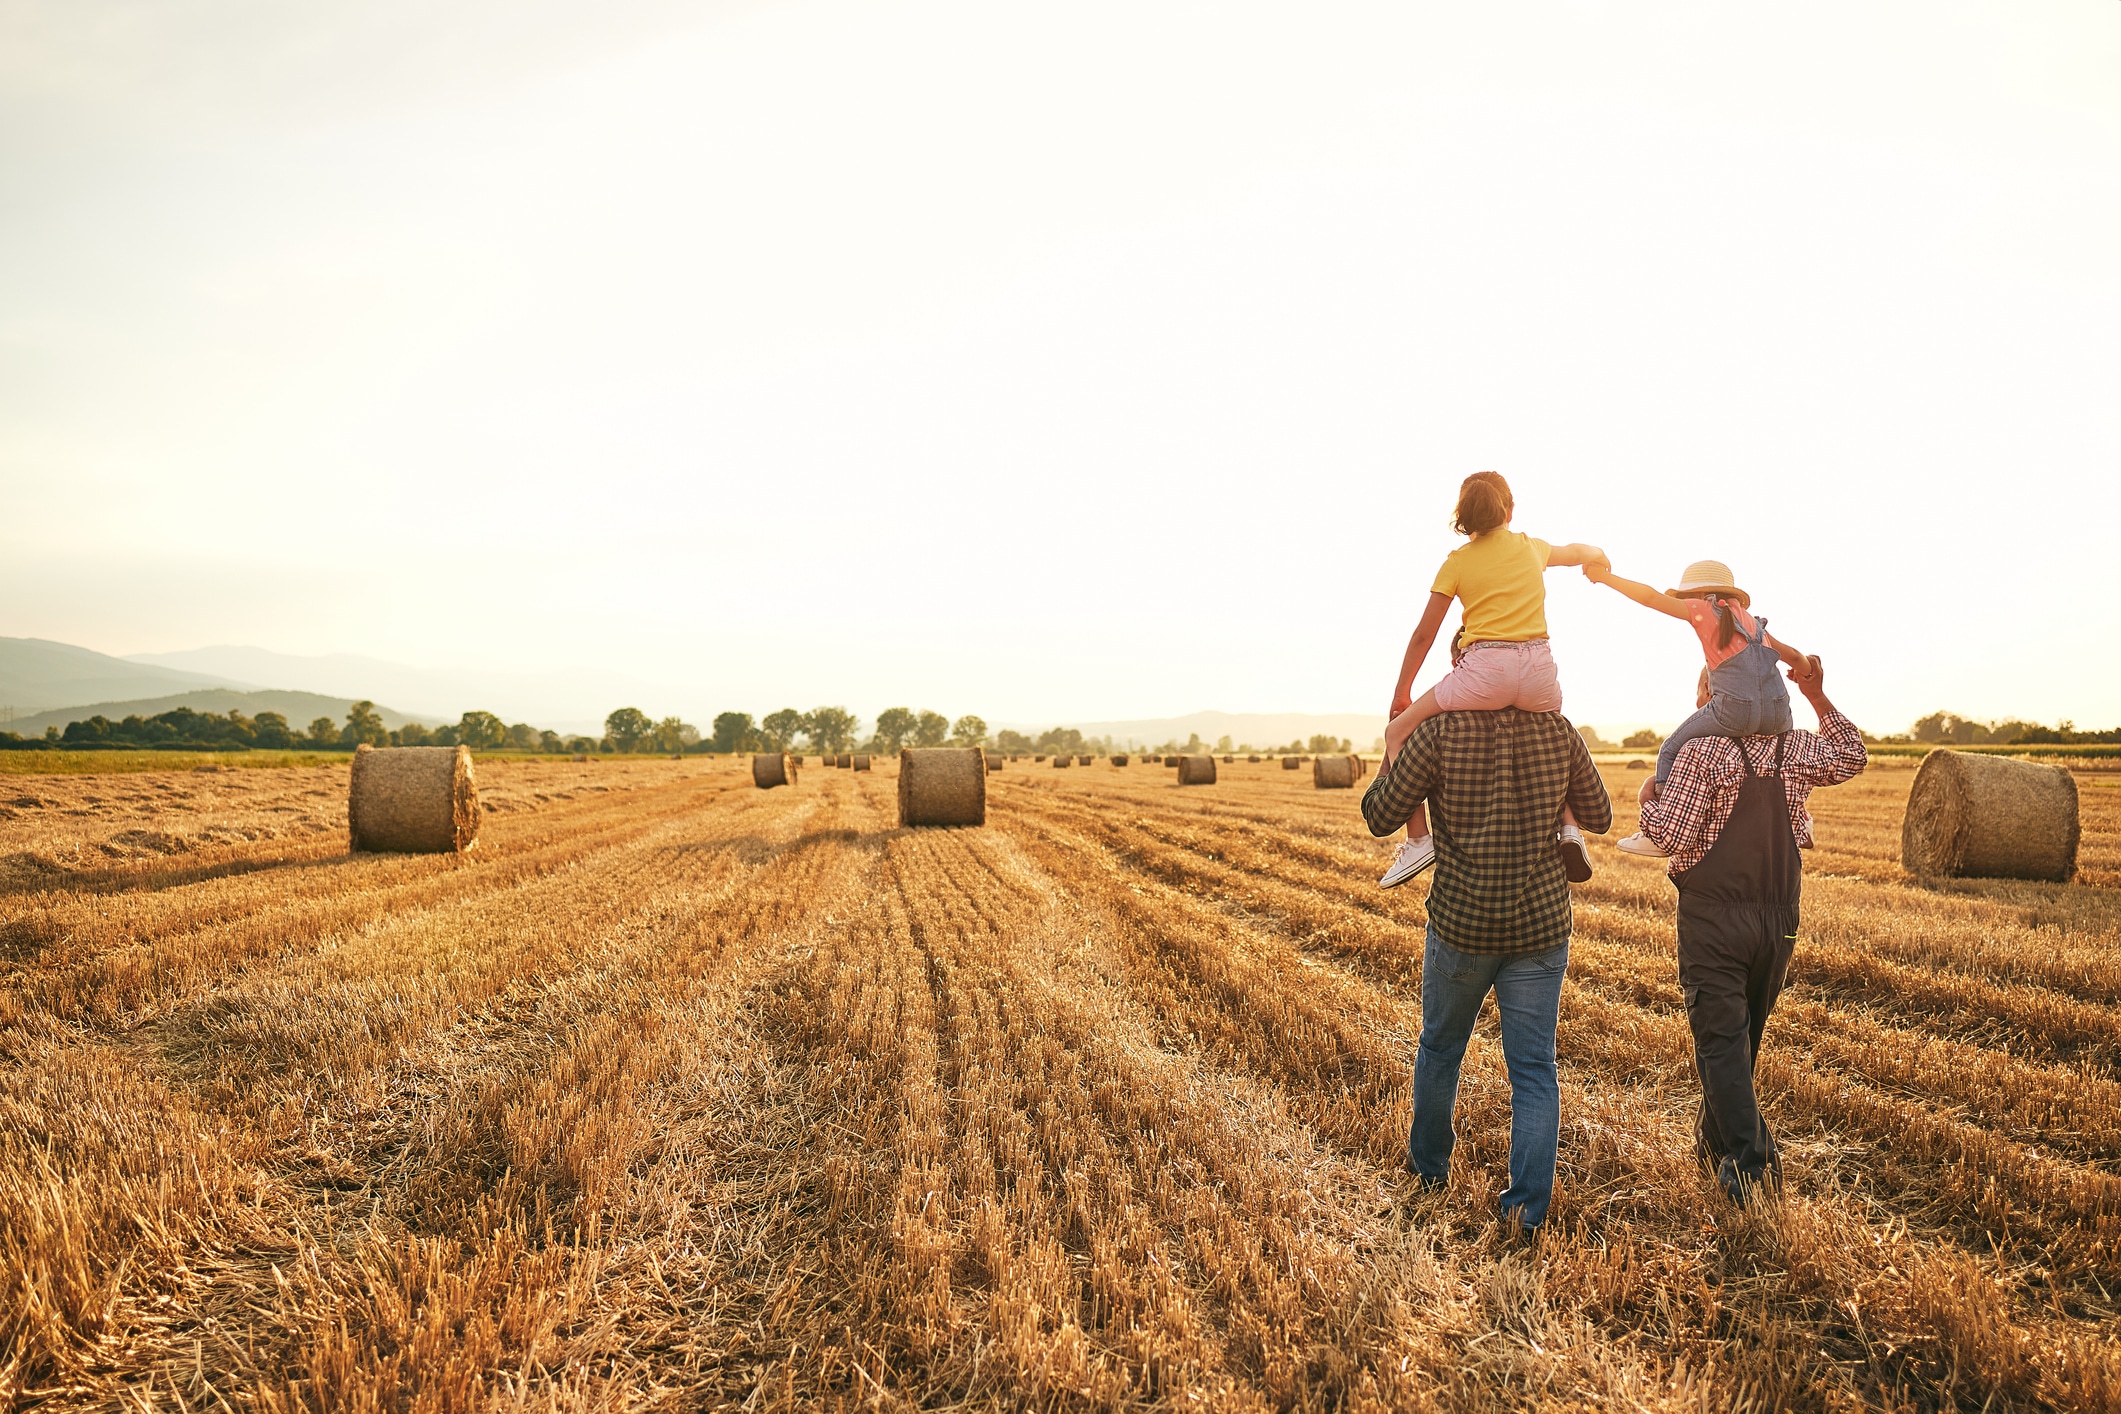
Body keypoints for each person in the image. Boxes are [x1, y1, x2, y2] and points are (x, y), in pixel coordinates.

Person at [1362, 703, 1613, 1232]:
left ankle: (1428, 1175)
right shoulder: (1557, 731)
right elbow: (1601, 814)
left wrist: (1392, 749)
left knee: (1440, 1051)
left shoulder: (1435, 732)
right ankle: (1525, 1214)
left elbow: (1380, 816)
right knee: (1534, 1071)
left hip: (1462, 926)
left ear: (1464, 664)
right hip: (1540, 928)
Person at [1634, 655, 1865, 1205]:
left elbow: (1670, 835)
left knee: (1720, 1042)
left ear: (1711, 702)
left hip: (1714, 915)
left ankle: (1753, 1167)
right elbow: (1852, 755)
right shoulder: (1797, 748)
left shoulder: (1700, 751)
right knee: (1742, 1040)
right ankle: (1713, 1147)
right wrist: (1816, 694)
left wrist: (1648, 800)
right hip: (1781, 914)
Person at [1380, 471, 1610, 888]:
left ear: (1464, 517)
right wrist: (1598, 554)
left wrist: (1402, 690)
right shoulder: (1530, 547)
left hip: (1485, 671)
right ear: (1510, 509)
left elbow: (1424, 634)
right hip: (1540, 671)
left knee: (1397, 732)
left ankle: (1417, 841)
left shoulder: (1457, 561)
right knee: (1557, 735)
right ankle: (1571, 828)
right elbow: (1577, 550)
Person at [1582, 558, 1815, 858]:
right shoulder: (1756, 625)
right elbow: (1795, 656)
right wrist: (1807, 672)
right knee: (1779, 757)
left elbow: (1651, 598)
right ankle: (1801, 819)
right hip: (1779, 713)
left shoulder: (1704, 609)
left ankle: (1660, 831)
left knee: (1670, 749)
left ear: (1697, 594)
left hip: (1734, 710)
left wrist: (1604, 578)